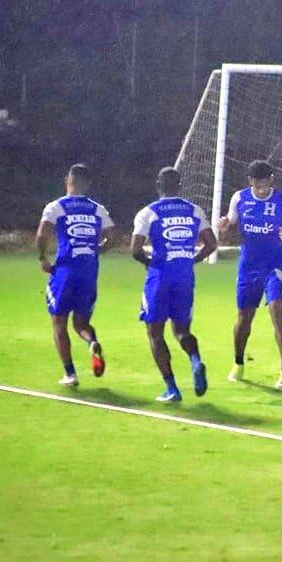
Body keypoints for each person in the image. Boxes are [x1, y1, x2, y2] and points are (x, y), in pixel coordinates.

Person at [131, 167, 217, 403]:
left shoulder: (148, 213)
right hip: (184, 276)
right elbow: (211, 243)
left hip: (159, 277)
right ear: (180, 185)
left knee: (155, 334)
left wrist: (150, 263)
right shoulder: (194, 210)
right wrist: (193, 259)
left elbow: (135, 249)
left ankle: (172, 389)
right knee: (182, 331)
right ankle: (195, 361)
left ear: (158, 185)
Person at [217, 160, 282, 388]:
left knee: (278, 313)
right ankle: (238, 363)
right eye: (258, 183)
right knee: (244, 318)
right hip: (248, 266)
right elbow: (228, 228)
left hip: (274, 266)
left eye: (266, 183)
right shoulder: (239, 199)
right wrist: (223, 228)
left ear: (271, 180)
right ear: (250, 181)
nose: (262, 188)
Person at [36, 163, 115, 387]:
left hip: (65, 272)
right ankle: (92, 342)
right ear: (87, 184)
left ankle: (70, 374)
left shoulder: (56, 206)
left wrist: (43, 257)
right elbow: (112, 237)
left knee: (58, 323)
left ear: (67, 180)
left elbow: (42, 234)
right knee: (81, 324)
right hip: (89, 273)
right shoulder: (97, 208)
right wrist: (97, 249)